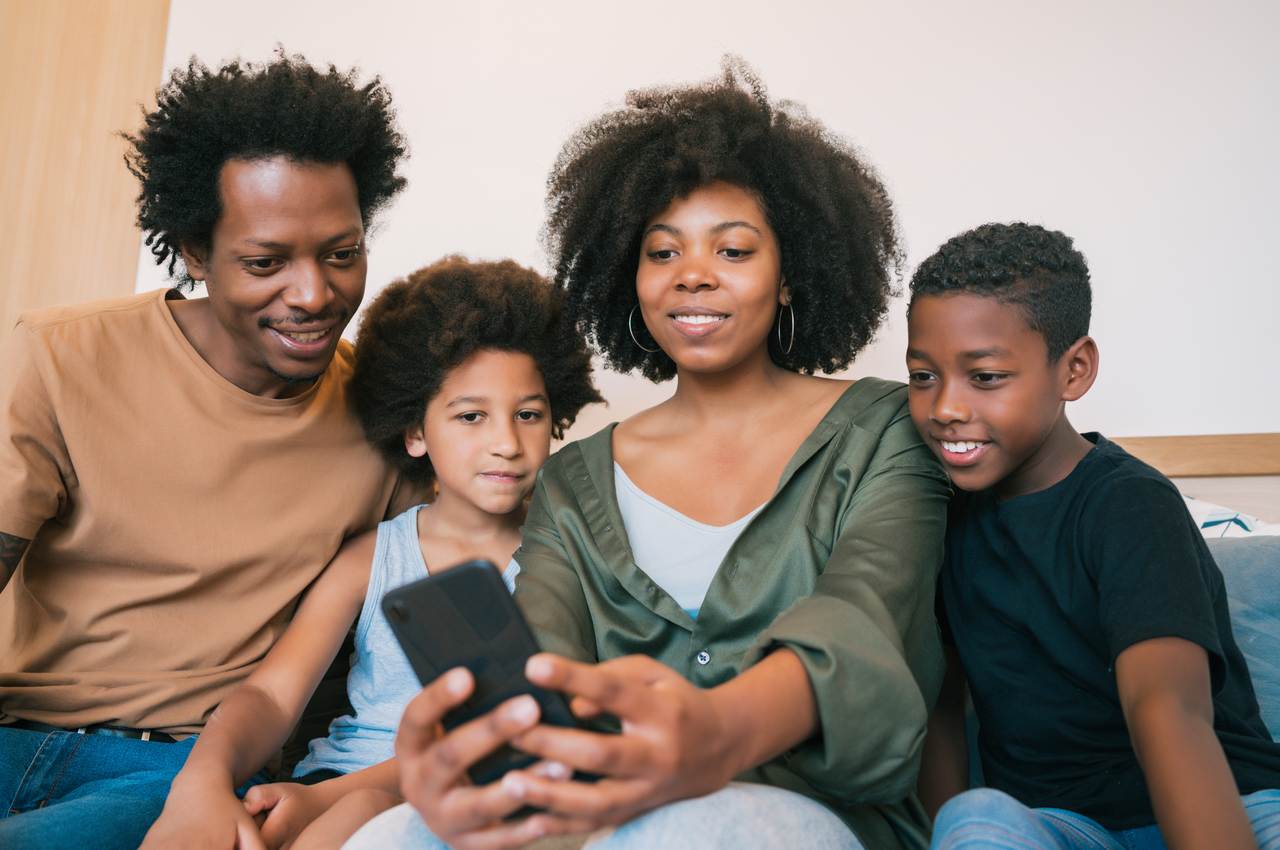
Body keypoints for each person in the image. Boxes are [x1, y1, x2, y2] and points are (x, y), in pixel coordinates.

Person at [349, 59, 951, 850]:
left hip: (815, 812)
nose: (693, 276)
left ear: (791, 274)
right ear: (626, 278)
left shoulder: (885, 431)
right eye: (662, 253)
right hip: (603, 808)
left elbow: (863, 622)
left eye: (733, 251)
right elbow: (542, 660)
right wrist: (479, 760)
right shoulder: (572, 479)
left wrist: (713, 731)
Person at [0, 53, 413, 849]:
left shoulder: (391, 415)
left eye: (341, 252)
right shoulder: (62, 358)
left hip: (181, 771)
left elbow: (451, 648)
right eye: (266, 262)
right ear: (195, 250)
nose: (313, 294)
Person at [141, 257, 602, 850]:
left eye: (529, 415)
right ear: (415, 433)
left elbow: (515, 735)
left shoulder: (567, 560)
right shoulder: (373, 557)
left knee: (365, 806)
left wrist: (326, 802)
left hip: (450, 793)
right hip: (331, 784)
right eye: (470, 416)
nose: (507, 443)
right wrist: (204, 779)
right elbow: (273, 694)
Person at [905, 223, 1280, 849]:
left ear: (1073, 370)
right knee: (975, 823)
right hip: (1067, 824)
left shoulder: (1130, 503)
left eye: (987, 376)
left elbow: (1167, 710)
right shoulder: (936, 516)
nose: (944, 406)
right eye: (923, 376)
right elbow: (938, 712)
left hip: (1225, 803)